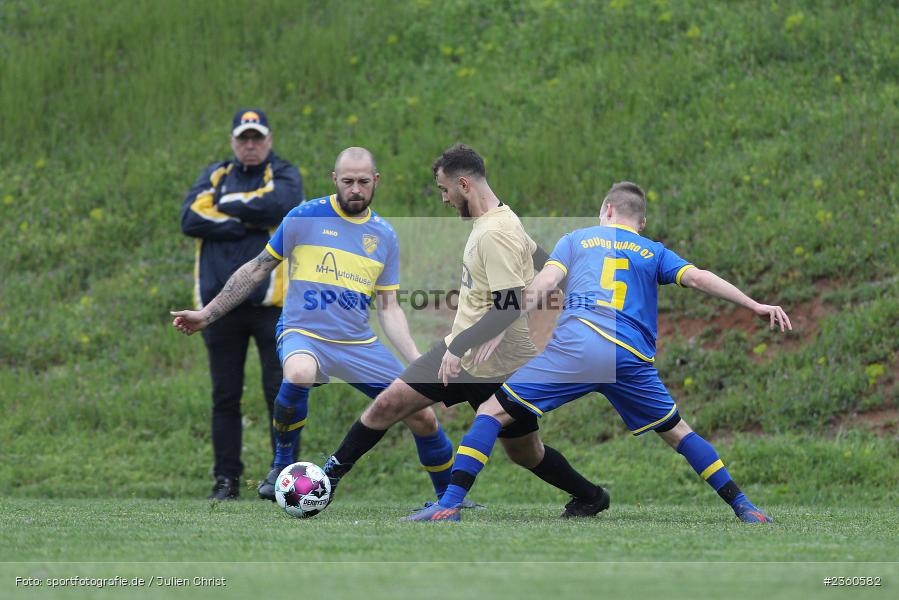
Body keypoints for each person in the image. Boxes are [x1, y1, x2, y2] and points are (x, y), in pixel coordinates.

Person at [405, 181, 792, 522]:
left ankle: (449, 504)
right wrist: (754, 305)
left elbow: (543, 286)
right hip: (631, 358)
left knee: (492, 411)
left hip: (580, 345)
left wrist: (499, 324)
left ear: (606, 210)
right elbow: (697, 277)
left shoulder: (576, 239)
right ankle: (744, 506)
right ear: (640, 222)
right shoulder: (652, 250)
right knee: (679, 434)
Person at [322, 144, 607, 518]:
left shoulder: (496, 232)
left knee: (526, 453)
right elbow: (542, 258)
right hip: (462, 349)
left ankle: (591, 496)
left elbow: (507, 304)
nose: (443, 198)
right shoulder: (503, 219)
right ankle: (325, 482)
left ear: (463, 184)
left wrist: (461, 346)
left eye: (444, 190)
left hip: (497, 363)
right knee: (388, 404)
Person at [173, 147, 456, 503]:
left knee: (423, 417)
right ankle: (282, 466)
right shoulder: (304, 216)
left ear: (376, 181)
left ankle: (449, 497)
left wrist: (417, 360)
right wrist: (208, 314)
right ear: (334, 179)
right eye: (348, 181)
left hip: (357, 343)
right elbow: (256, 268)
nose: (356, 189)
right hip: (303, 333)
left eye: (364, 182)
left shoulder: (384, 235)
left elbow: (389, 308)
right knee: (300, 372)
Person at [180, 108, 304, 500]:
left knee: (280, 392)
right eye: (243, 139)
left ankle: (284, 478)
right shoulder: (215, 174)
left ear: (268, 140)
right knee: (225, 396)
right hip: (219, 308)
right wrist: (244, 222)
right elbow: (189, 217)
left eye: (257, 138)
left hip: (272, 306)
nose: (250, 145)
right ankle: (226, 481)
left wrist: (225, 206)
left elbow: (281, 205)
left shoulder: (283, 173)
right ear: (234, 141)